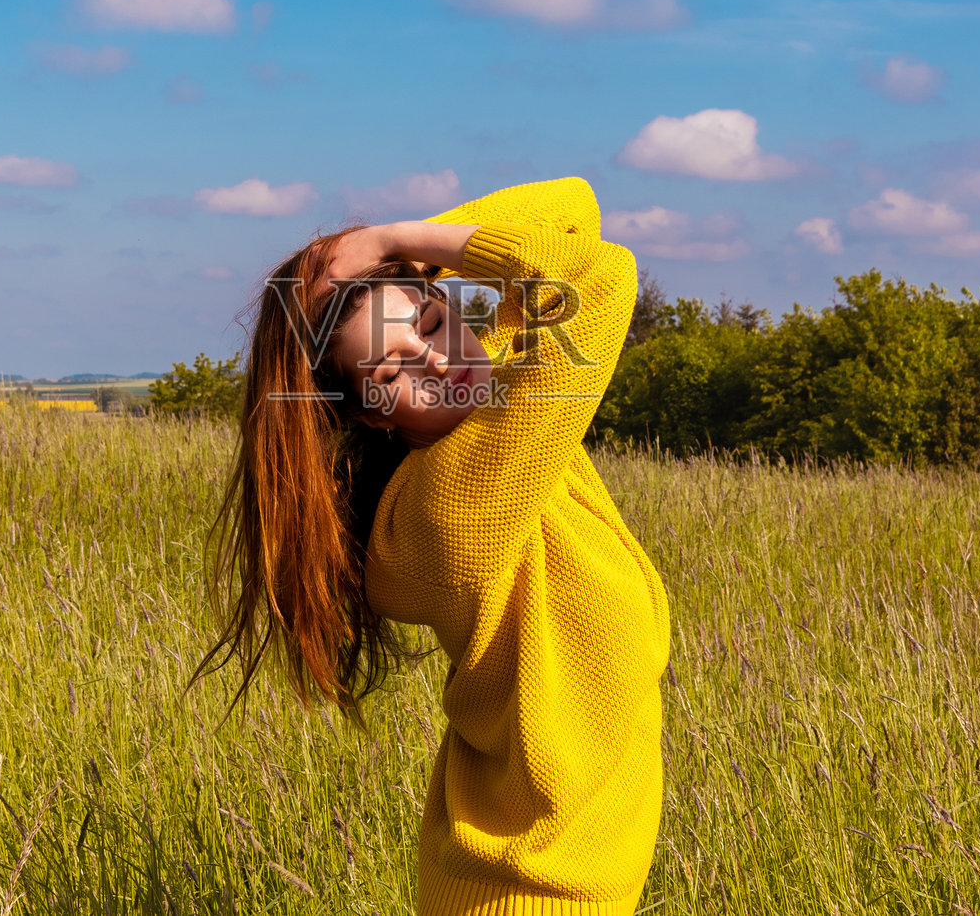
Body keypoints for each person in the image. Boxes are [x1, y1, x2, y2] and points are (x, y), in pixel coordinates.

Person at [194, 177, 671, 914]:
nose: (439, 362)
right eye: (392, 372)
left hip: (543, 876)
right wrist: (394, 246)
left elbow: (573, 212)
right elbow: (600, 278)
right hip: (530, 892)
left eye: (431, 322)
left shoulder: (492, 397)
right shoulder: (461, 489)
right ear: (372, 416)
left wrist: (387, 252)